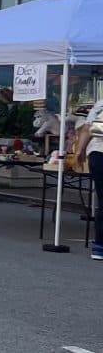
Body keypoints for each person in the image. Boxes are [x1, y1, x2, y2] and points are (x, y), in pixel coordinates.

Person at [80, 98, 103, 261]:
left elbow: (87, 128)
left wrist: (80, 150)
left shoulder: (101, 103)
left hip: (97, 154)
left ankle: (99, 247)